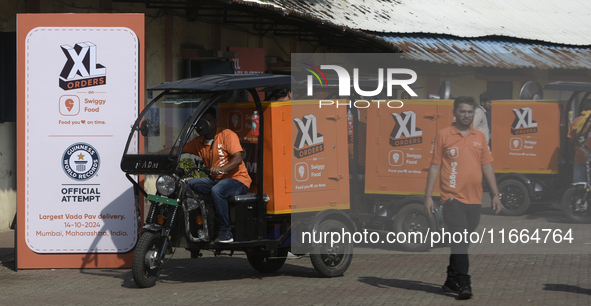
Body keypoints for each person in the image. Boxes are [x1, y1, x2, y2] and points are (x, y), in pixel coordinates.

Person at [423, 96, 502, 300]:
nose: (466, 115)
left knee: (462, 242)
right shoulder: (443, 135)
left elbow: (487, 165)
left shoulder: (479, 137)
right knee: (459, 240)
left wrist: (495, 194)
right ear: (454, 112)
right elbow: (434, 166)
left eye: (469, 112)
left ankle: (451, 279)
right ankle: (464, 283)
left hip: (475, 200)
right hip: (452, 199)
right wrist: (428, 197)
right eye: (462, 111)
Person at [182, 106, 251, 243]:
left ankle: (226, 232)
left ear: (215, 121)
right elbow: (177, 150)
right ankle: (201, 224)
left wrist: (221, 169)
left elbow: (238, 159)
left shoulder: (227, 134)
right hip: (215, 180)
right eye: (202, 121)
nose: (204, 124)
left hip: (237, 180)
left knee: (217, 190)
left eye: (208, 120)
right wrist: (154, 155)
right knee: (187, 185)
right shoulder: (199, 142)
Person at [568, 99, 591, 183]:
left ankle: (578, 196)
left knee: (578, 184)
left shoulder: (576, 121)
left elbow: (571, 140)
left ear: (582, 109)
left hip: (579, 158)